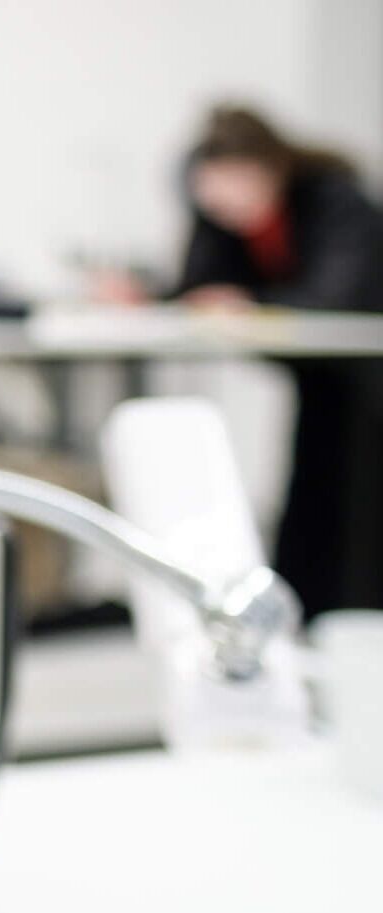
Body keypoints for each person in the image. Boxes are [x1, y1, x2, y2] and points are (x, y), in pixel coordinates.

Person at [170, 105, 383, 618]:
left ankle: (352, 617)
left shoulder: (336, 201)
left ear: (271, 168)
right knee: (312, 488)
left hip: (367, 371)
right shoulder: (224, 216)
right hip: (318, 373)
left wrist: (252, 304)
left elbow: (337, 298)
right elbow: (197, 286)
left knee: (357, 501)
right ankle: (304, 611)